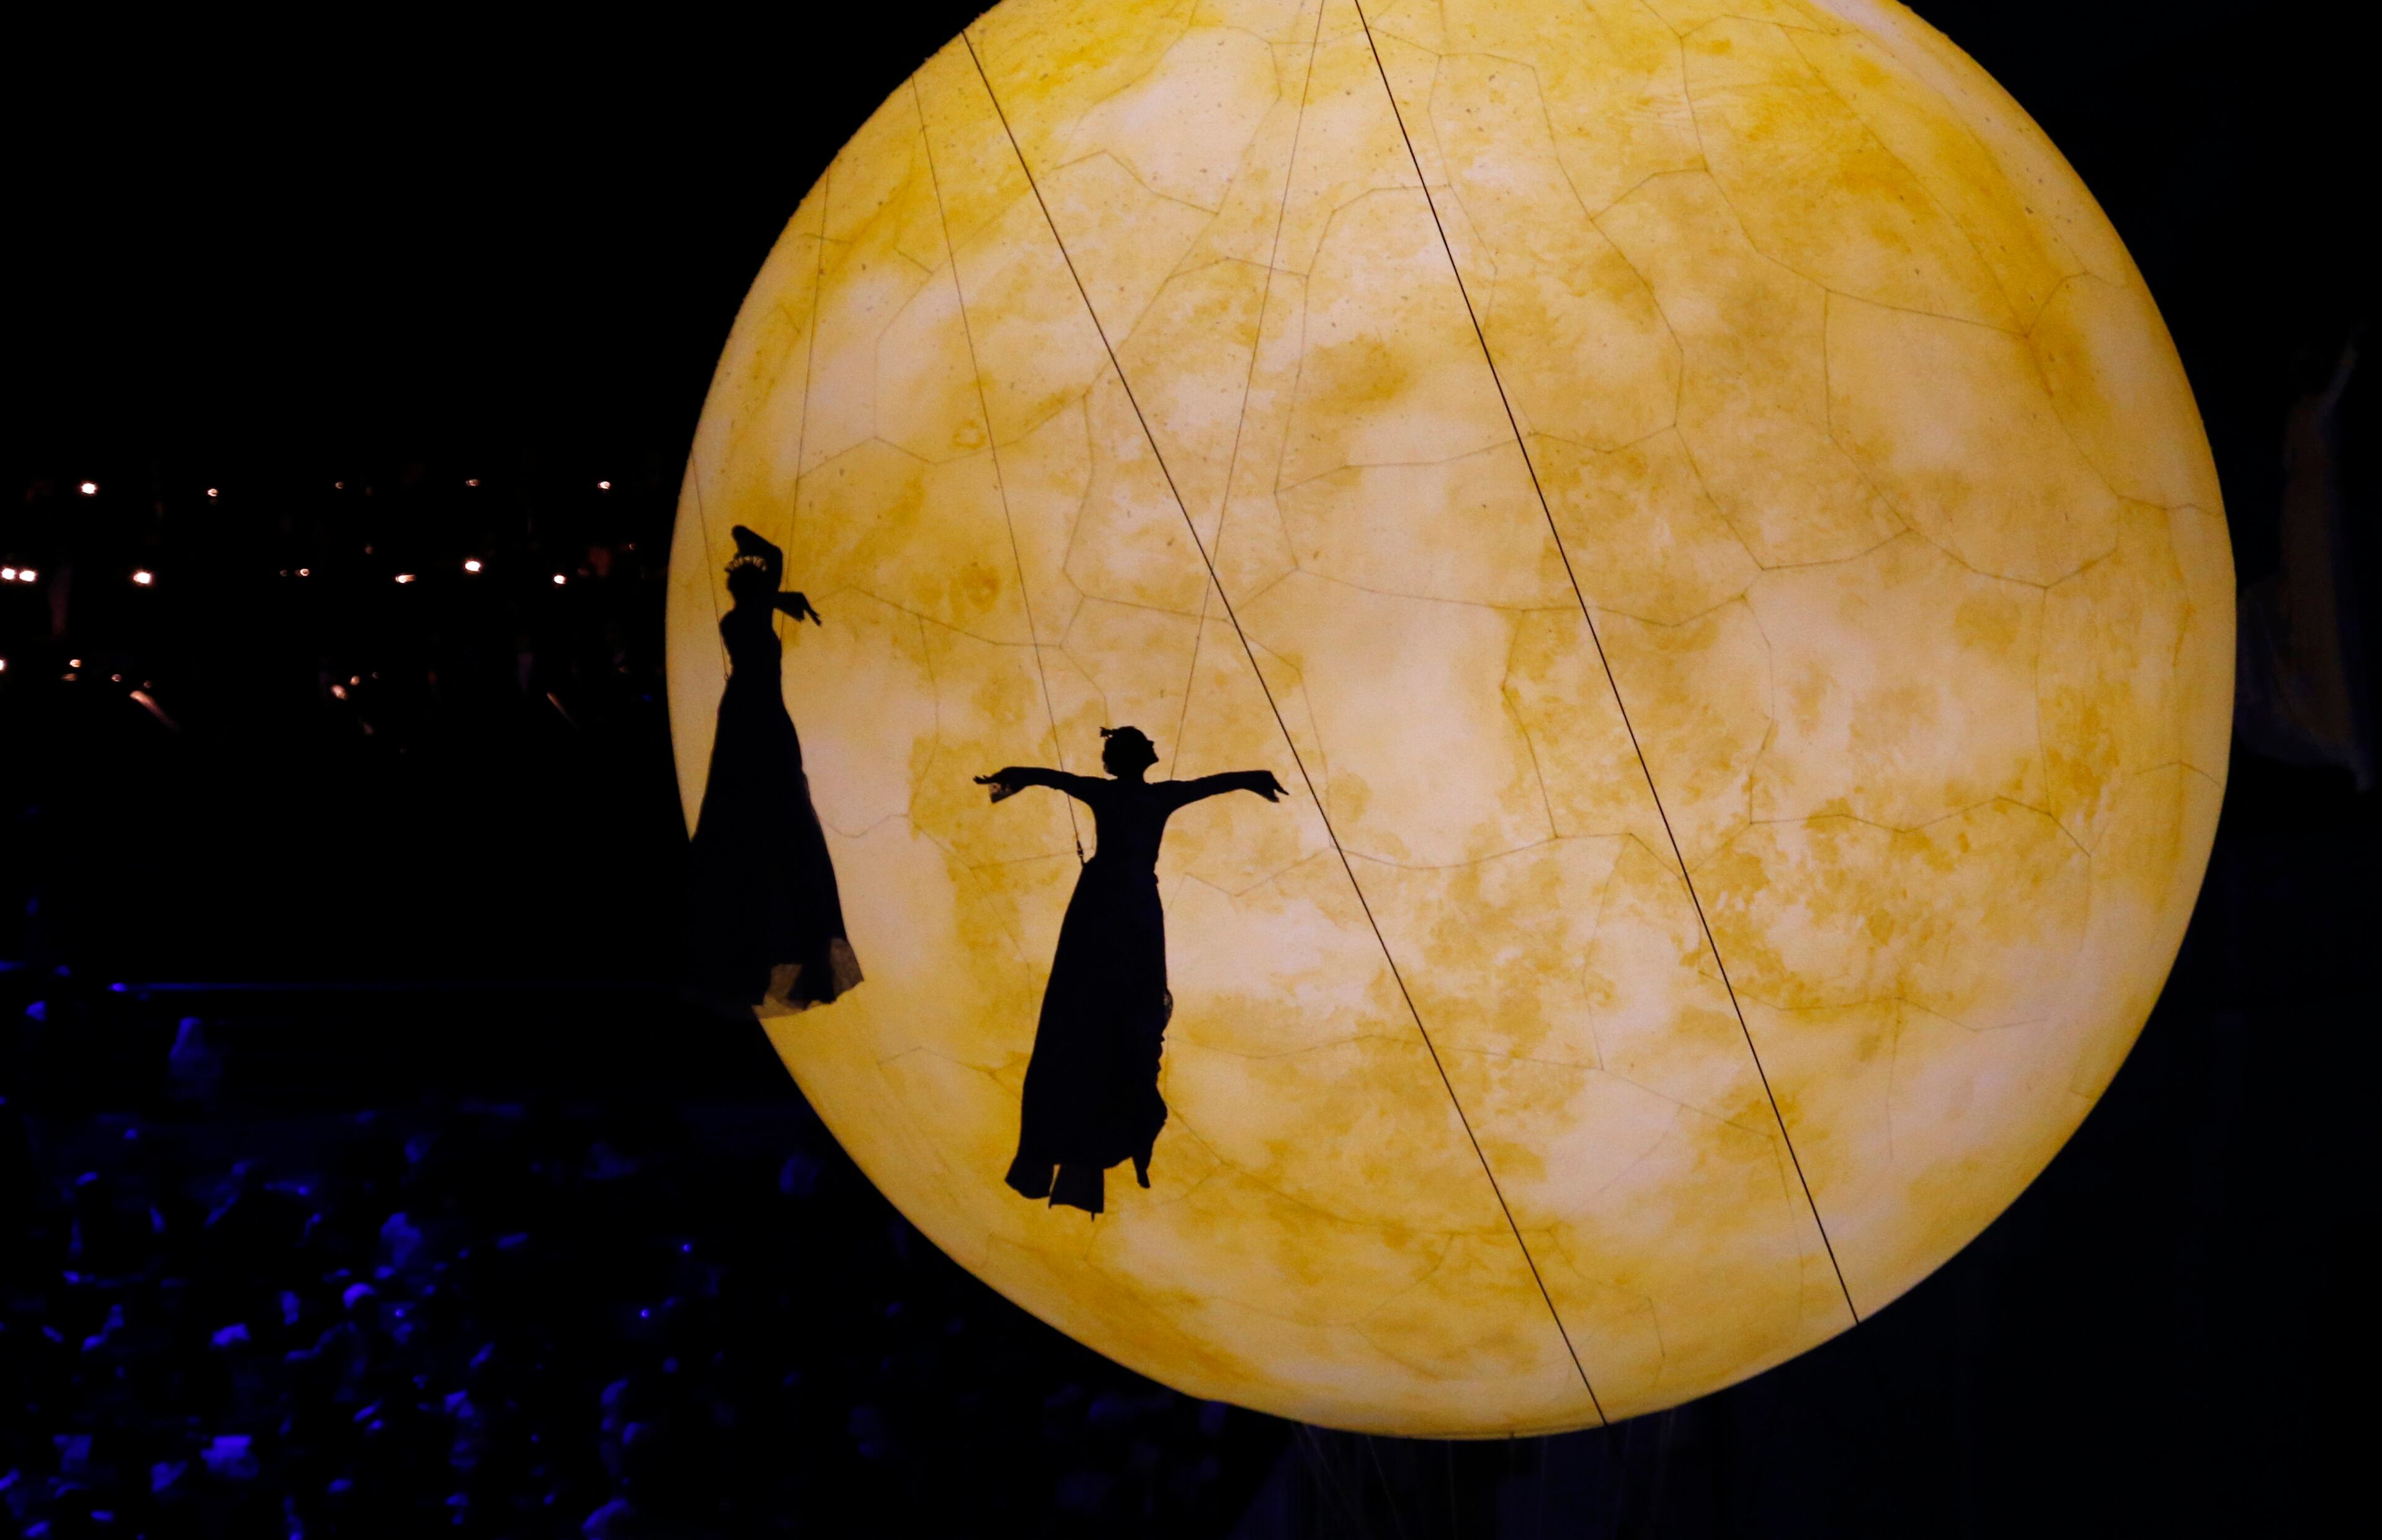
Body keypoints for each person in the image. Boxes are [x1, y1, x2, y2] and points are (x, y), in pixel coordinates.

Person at [977, 728, 1286, 1214]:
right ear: (1142, 759)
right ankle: (1085, 1139)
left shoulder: (1121, 792)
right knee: (1108, 1009)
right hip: (1127, 900)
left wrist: (1013, 778)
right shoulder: (1152, 795)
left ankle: (1075, 1142)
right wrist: (1252, 778)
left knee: (1099, 1008)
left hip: (1111, 899)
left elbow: (1049, 777)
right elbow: (1210, 783)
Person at [682, 525, 862, 1018]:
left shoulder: (740, 619)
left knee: (754, 818)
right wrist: (760, 563)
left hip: (749, 714)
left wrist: (778, 592)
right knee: (775, 816)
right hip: (757, 717)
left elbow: (766, 580)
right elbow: (773, 556)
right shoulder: (743, 621)